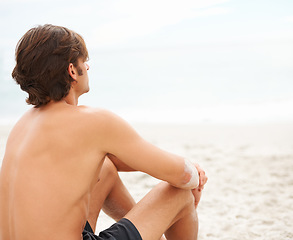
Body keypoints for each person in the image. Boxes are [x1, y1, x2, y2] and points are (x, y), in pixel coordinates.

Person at [0, 24, 208, 240]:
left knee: (105, 169)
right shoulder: (92, 121)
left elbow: (106, 158)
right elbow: (183, 175)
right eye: (83, 62)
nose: (87, 68)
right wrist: (195, 173)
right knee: (180, 194)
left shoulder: (22, 126)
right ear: (72, 70)